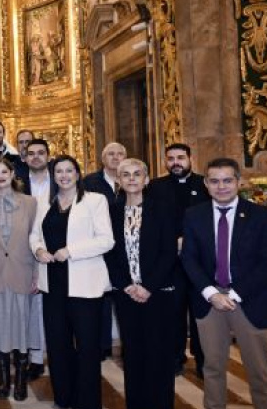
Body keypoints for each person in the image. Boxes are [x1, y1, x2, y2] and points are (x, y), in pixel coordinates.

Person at [181, 158, 267, 409]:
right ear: (206, 184)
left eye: (227, 180)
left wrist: (235, 293)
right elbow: (189, 258)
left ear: (239, 181)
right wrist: (211, 292)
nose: (221, 186)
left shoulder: (261, 216)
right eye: (214, 181)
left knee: (259, 371)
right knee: (212, 368)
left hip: (250, 299)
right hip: (209, 300)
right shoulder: (194, 215)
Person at [30, 155, 114, 409]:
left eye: (69, 171)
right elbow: (35, 235)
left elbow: (106, 240)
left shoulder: (95, 201)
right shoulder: (45, 203)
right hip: (53, 285)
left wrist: (71, 250)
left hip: (84, 287)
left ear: (78, 174)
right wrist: (39, 251)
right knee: (57, 347)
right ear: (53, 176)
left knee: (87, 349)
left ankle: (87, 402)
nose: (64, 175)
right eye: (59, 171)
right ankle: (63, 398)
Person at [106, 158, 177, 409]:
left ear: (147, 179)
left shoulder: (163, 208)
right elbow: (110, 253)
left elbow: (169, 252)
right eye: (126, 175)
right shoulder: (112, 211)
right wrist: (126, 285)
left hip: (158, 292)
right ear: (119, 180)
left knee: (159, 351)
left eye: (138, 174)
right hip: (126, 293)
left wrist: (147, 287)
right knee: (133, 352)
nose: (132, 178)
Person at [0, 157, 39, 401]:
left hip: (22, 272)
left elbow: (37, 239)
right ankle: (4, 379)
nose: (0, 176)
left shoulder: (30, 203)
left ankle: (20, 379)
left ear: (13, 175)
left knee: (21, 328)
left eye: (4, 171)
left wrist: (36, 273)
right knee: (0, 328)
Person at [148, 142, 210, 377]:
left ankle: (203, 361)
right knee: (172, 313)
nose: (176, 162)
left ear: (190, 158)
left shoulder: (204, 184)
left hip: (201, 262)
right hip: (169, 262)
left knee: (200, 312)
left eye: (180, 157)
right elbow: (152, 221)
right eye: (171, 158)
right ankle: (174, 359)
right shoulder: (155, 187)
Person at [83, 141, 127, 358]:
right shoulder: (89, 181)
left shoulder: (131, 179)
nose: (116, 157)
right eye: (111, 154)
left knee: (124, 294)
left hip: (126, 247)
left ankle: (128, 344)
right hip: (98, 247)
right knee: (100, 296)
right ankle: (101, 346)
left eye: (120, 154)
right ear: (103, 159)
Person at [20, 139, 52, 380]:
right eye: (31, 154)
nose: (36, 157)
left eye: (41, 153)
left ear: (48, 156)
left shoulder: (61, 180)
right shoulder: (19, 184)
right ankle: (35, 357)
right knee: (34, 307)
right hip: (27, 250)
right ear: (24, 158)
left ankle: (58, 352)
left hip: (59, 252)